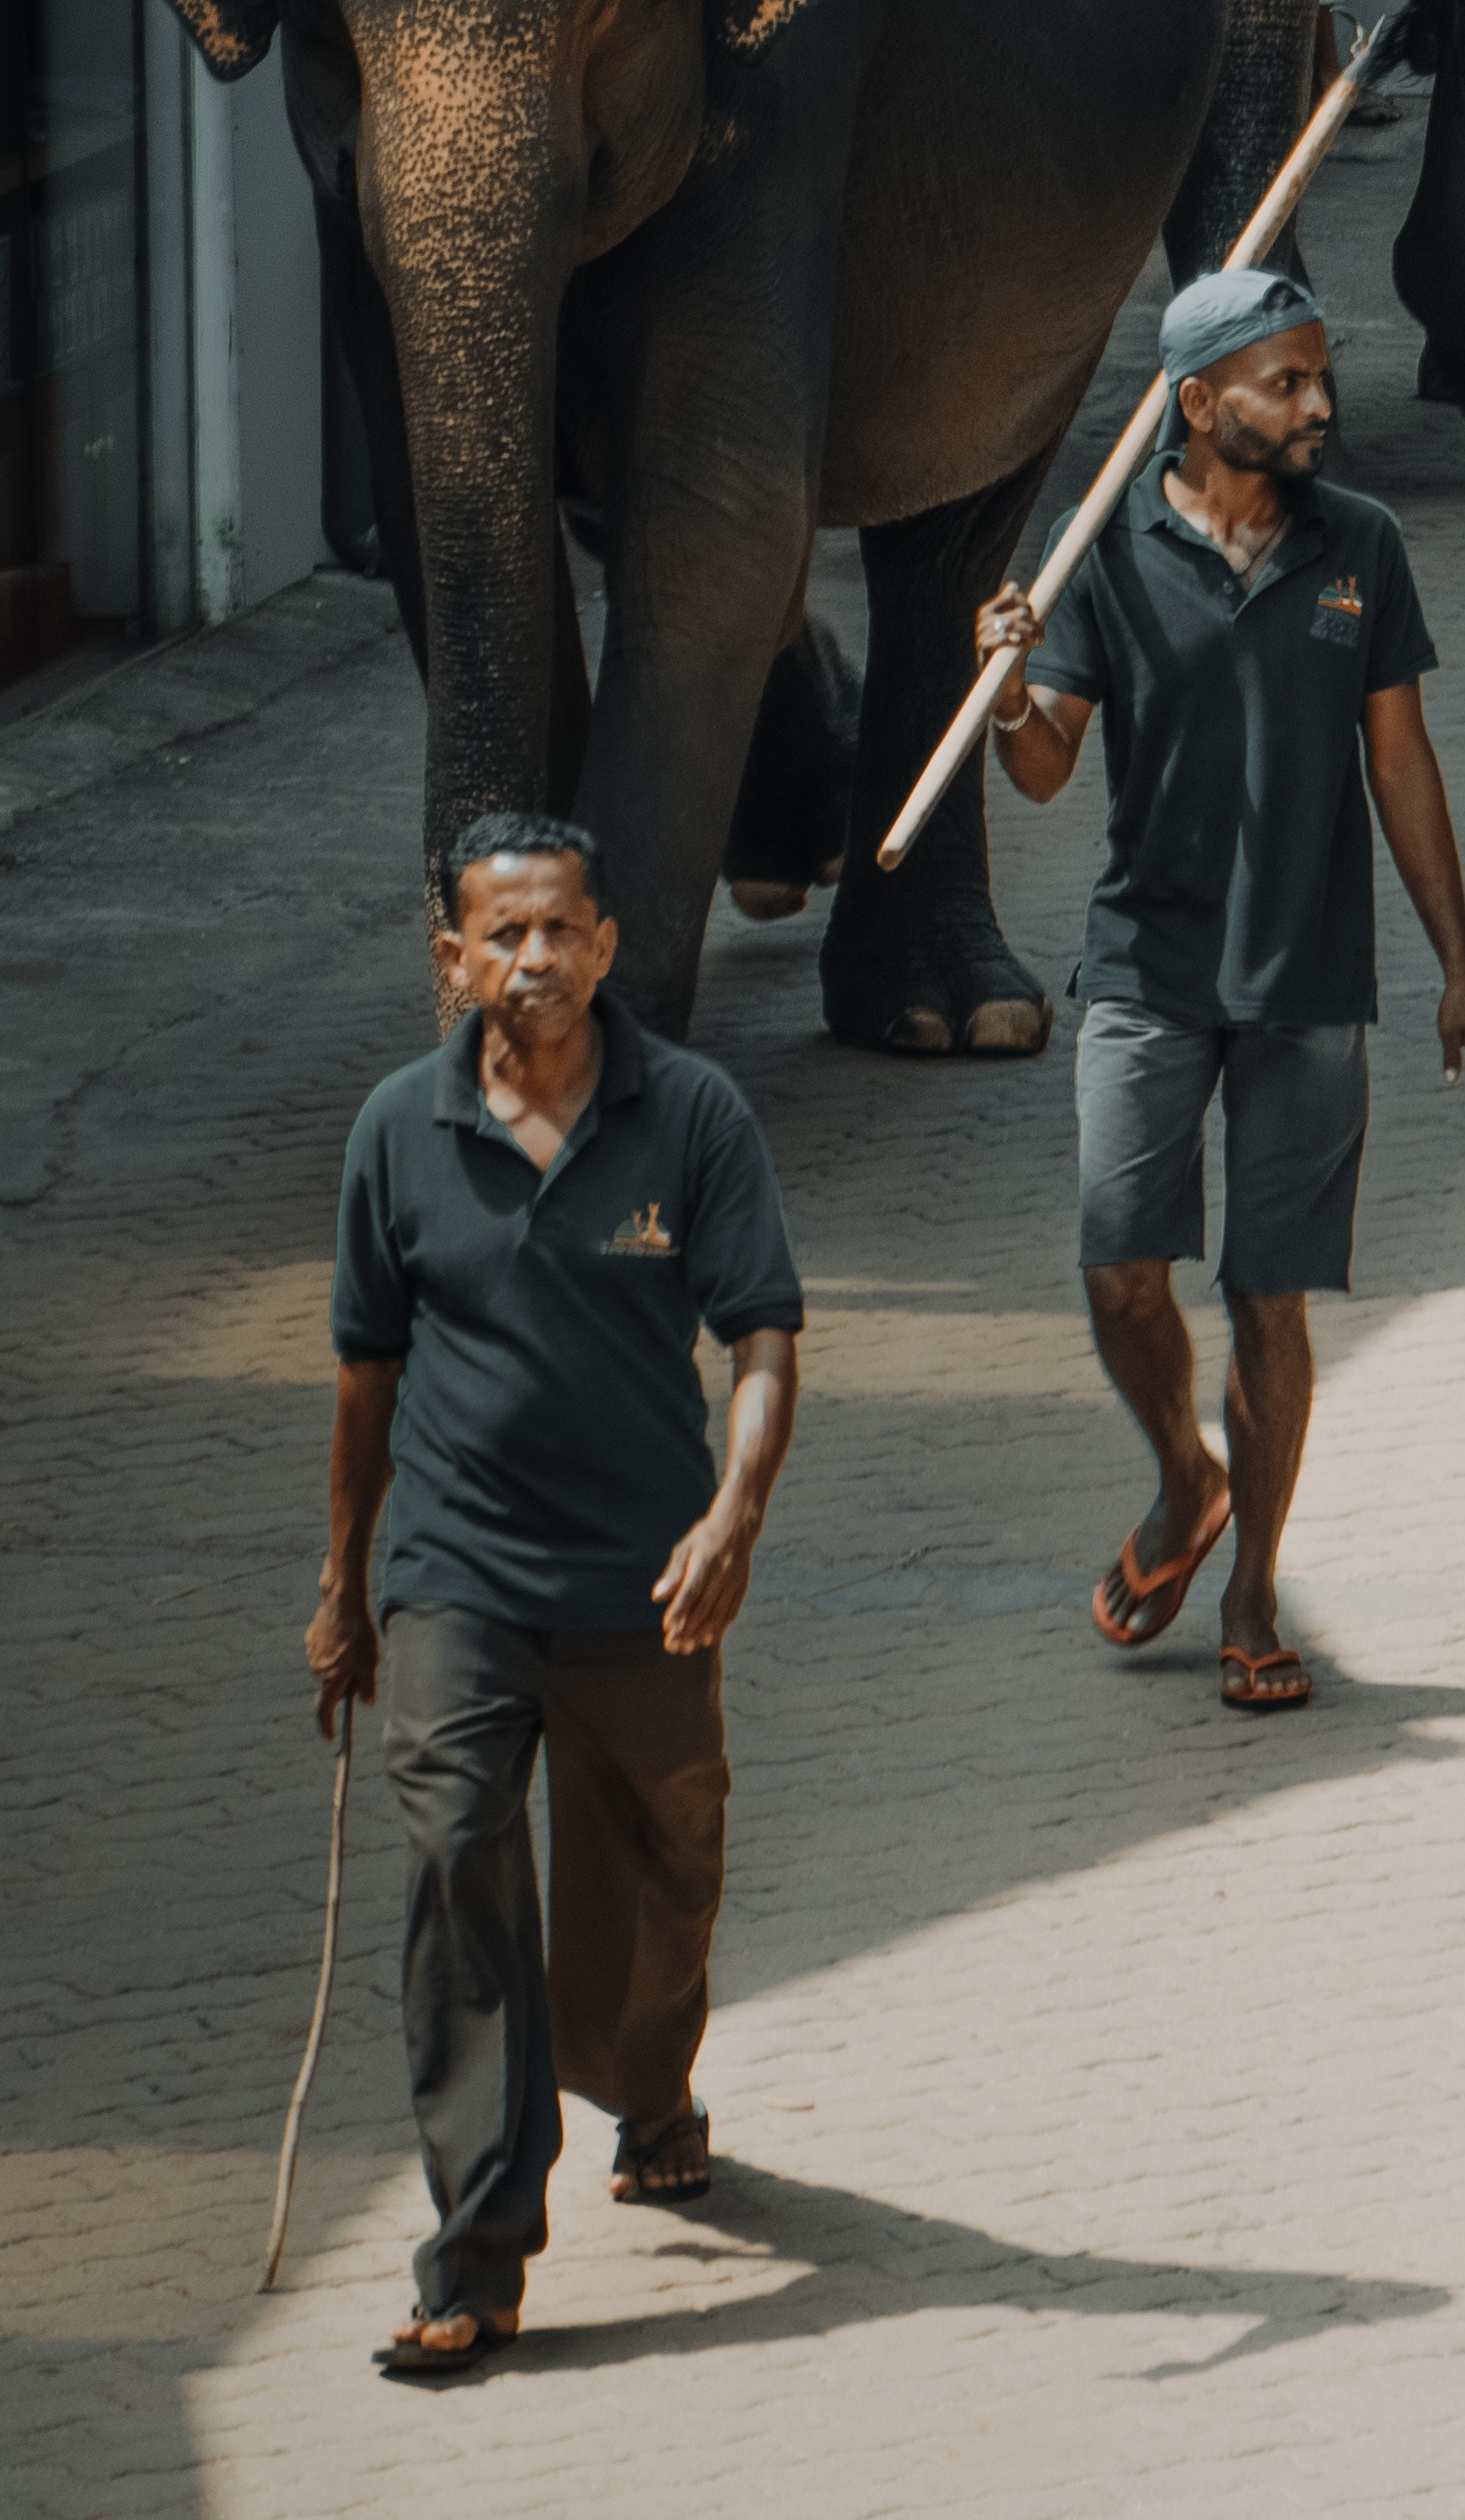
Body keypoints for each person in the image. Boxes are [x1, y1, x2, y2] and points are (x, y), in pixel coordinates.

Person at [309, 812, 802, 2383]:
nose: (533, 958)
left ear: (608, 942)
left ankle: (650, 2087)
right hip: (457, 1572)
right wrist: (345, 1587)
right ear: (451, 958)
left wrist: (734, 1511)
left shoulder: (692, 1112)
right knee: (458, 1863)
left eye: (559, 930)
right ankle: (475, 2249)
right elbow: (364, 1376)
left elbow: (765, 1339)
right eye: (499, 935)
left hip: (646, 1579)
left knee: (664, 1875)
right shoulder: (397, 1127)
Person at [974, 265, 1465, 1713]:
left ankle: (1256, 1581)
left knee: (1272, 1298)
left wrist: (1460, 963)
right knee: (1118, 1268)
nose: (1322, 402)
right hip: (1146, 967)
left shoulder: (1363, 546)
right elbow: (1041, 766)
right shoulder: (1111, 547)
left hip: (1310, 984)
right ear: (1199, 402)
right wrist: (1011, 691)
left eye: (1323, 374)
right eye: (1289, 380)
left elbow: (1401, 760)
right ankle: (1184, 1476)